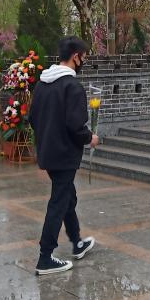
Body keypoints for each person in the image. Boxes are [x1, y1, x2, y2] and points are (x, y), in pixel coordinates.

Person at [30, 36, 100, 275]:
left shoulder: (42, 84)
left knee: (68, 196)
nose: (84, 62)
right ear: (76, 56)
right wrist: (89, 137)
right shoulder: (72, 87)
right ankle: (45, 256)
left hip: (48, 152)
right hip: (65, 154)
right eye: (84, 57)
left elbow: (33, 118)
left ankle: (77, 242)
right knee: (59, 202)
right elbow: (76, 126)